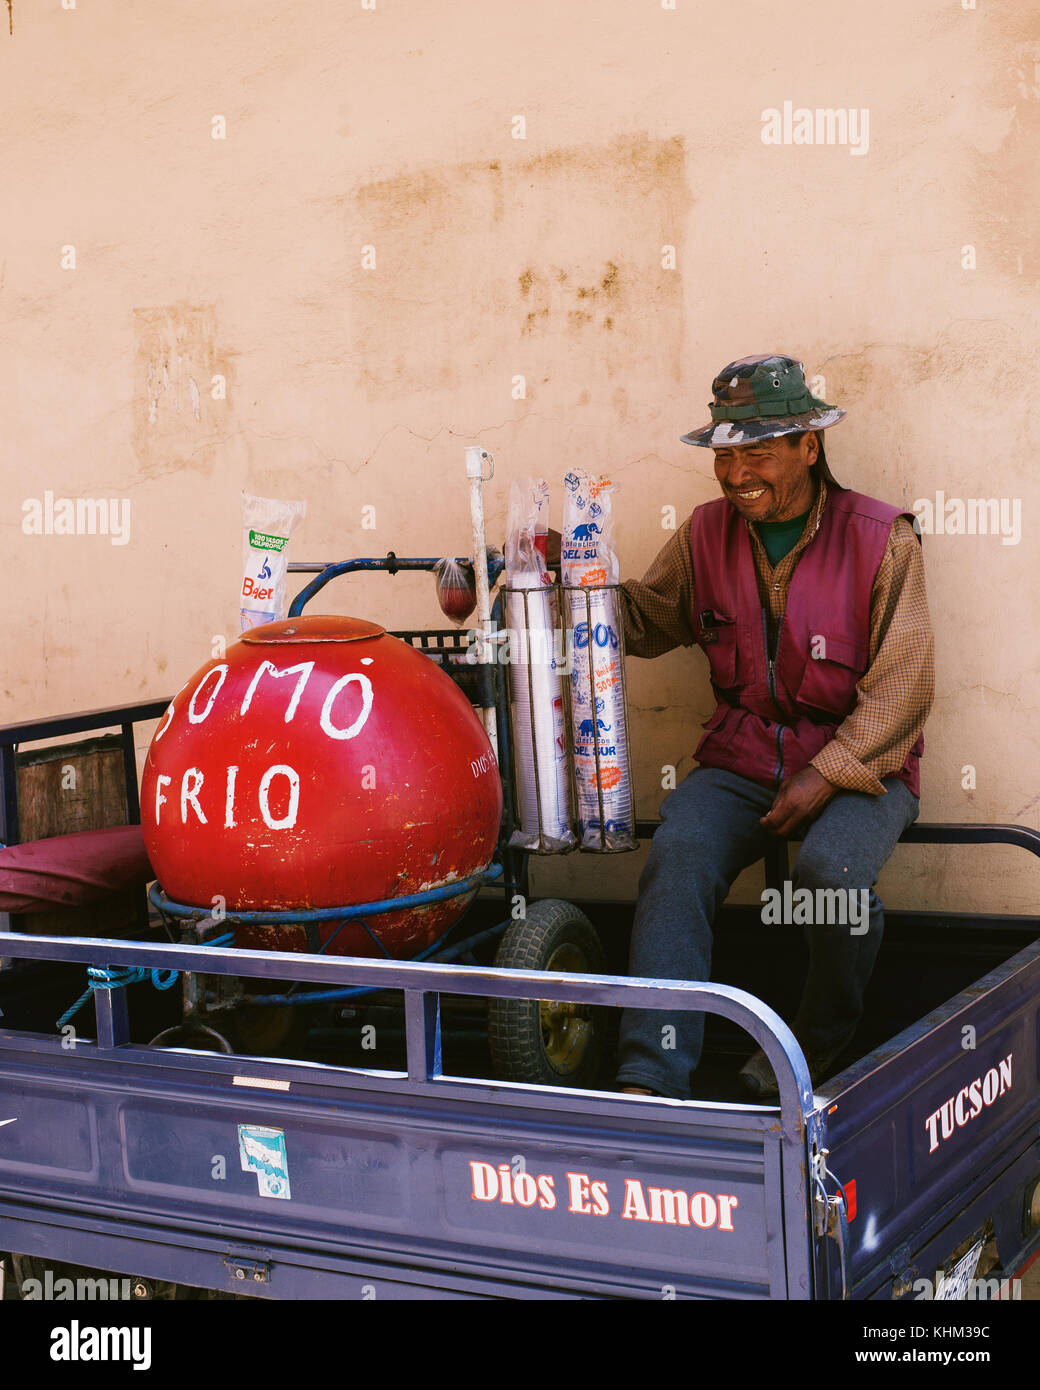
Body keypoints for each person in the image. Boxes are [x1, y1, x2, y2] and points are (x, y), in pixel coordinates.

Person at [599, 353, 934, 1100]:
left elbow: (902, 693)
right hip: (745, 753)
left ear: (808, 447)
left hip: (863, 765)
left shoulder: (884, 538)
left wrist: (827, 775)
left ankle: (818, 1046)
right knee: (679, 853)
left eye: (759, 450)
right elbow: (650, 621)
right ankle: (650, 1077)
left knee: (830, 876)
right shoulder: (703, 534)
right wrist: (571, 584)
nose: (736, 471)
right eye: (725, 452)